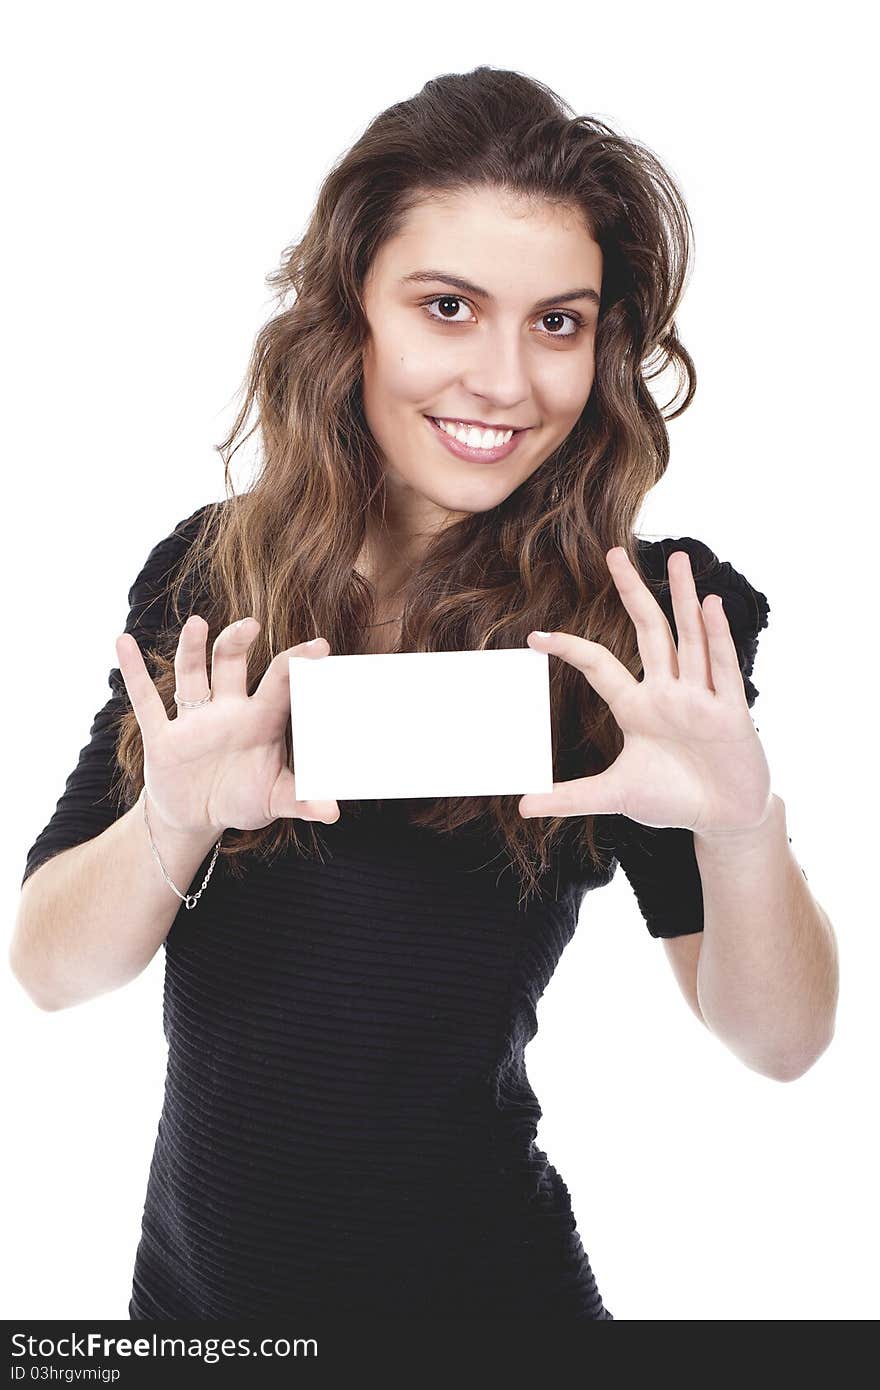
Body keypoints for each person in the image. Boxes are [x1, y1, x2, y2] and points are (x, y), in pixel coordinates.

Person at [11, 66, 838, 1330]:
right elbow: (49, 969)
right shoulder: (212, 572)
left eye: (558, 323)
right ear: (351, 314)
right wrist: (176, 819)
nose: (506, 381)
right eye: (448, 306)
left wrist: (738, 825)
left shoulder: (643, 616)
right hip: (194, 1308)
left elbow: (779, 1043)